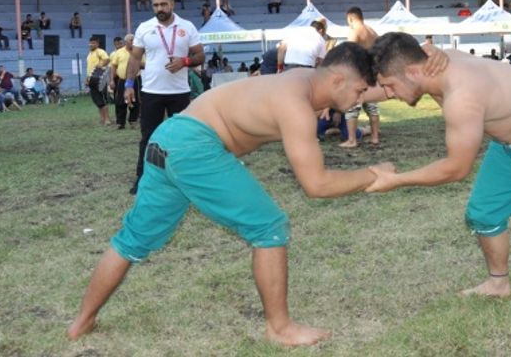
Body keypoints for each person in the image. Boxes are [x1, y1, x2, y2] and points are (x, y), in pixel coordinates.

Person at [67, 43, 395, 346]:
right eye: (359, 91)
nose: (361, 99)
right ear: (337, 79)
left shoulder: (304, 79)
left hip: (167, 139)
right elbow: (317, 185)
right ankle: (279, 329)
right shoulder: (294, 104)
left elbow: (354, 90)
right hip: (194, 147)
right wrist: (372, 174)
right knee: (269, 227)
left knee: (133, 239)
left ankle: (81, 323)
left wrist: (409, 82)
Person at [367, 32, 511, 343]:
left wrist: (397, 180)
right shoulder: (425, 59)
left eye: (389, 86)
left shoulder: (461, 96)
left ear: (413, 72)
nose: (387, 94)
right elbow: (389, 76)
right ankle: (498, 282)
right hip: (510, 144)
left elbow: (456, 169)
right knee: (484, 214)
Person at [124, 0, 205, 195]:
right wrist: (128, 85)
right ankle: (143, 179)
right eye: (156, 5)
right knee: (148, 137)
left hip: (179, 92)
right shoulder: (144, 28)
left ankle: (187, 178)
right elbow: (134, 58)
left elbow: (200, 56)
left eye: (163, 4)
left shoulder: (187, 27)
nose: (159, 9)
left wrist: (185, 61)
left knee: (183, 137)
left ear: (172, 4)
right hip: (151, 91)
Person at [341, 7, 380, 148]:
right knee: (372, 107)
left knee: (352, 107)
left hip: (358, 74)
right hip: (371, 73)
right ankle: (375, 137)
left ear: (351, 18)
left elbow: (349, 54)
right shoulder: (372, 31)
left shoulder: (355, 31)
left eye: (348, 21)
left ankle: (352, 140)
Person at [109, 34, 139, 129]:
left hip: (135, 80)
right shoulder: (118, 53)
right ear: (126, 42)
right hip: (121, 80)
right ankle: (120, 123)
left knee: (136, 101)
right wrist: (112, 80)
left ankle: (133, 121)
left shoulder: (138, 51)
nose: (133, 42)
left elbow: (144, 64)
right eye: (131, 40)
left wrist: (136, 63)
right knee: (120, 101)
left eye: (134, 40)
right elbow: (113, 66)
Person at [86, 37, 111, 125]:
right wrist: (87, 79)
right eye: (90, 43)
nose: (91, 44)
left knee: (103, 99)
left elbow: (107, 59)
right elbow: (89, 68)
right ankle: (102, 119)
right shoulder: (89, 54)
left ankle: (107, 120)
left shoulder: (100, 51)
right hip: (91, 79)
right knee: (97, 99)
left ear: (97, 44)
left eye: (93, 43)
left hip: (99, 78)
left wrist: (99, 67)